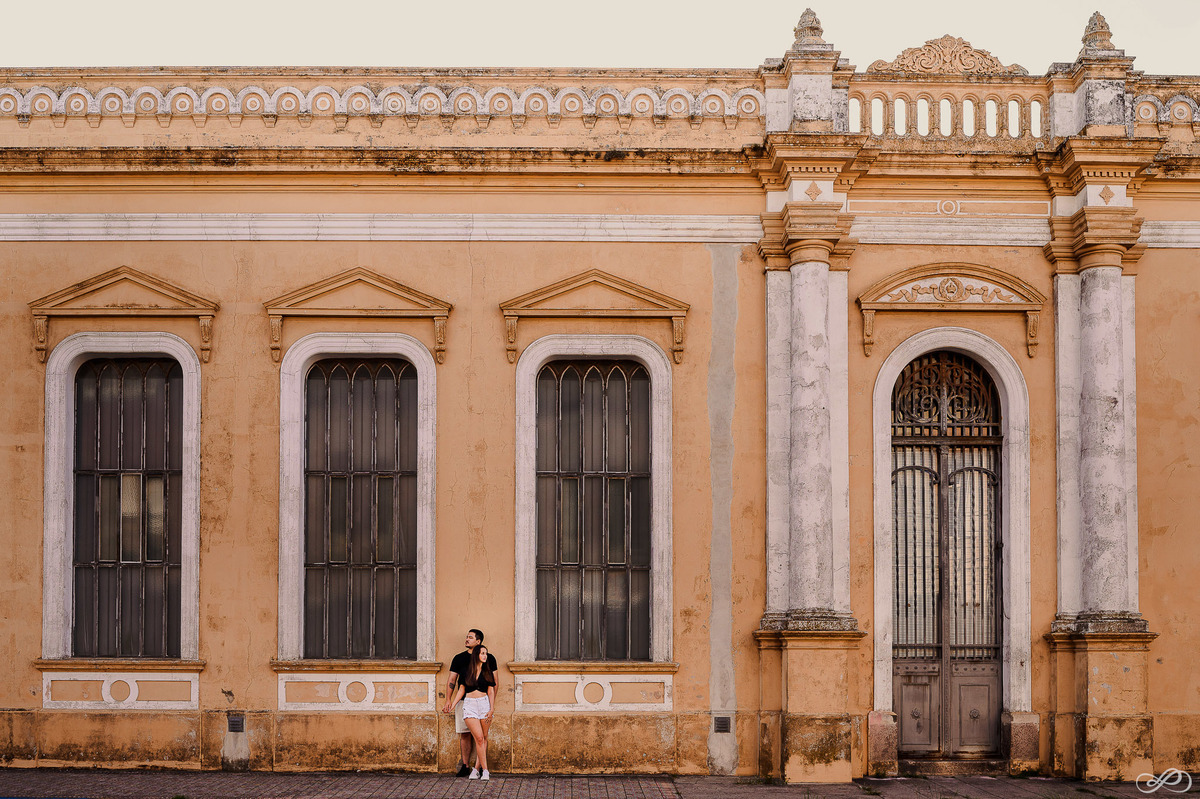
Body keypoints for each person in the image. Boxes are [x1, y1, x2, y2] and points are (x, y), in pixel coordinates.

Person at [442, 629, 499, 777]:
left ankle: (479, 768)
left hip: (484, 703)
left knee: (482, 738)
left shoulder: (489, 660)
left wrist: (490, 706)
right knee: (466, 734)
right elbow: (453, 681)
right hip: (465, 702)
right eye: (466, 637)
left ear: (478, 642)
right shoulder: (460, 659)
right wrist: (449, 701)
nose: (467, 639)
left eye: (470, 637)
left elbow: (493, 685)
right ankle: (466, 766)